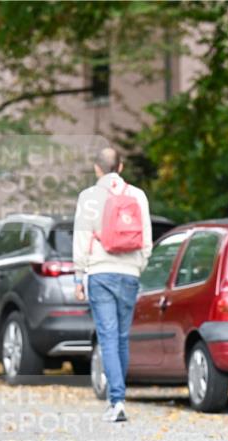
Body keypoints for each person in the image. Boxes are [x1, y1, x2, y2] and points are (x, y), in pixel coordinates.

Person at [73, 147, 152, 422]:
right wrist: (137, 266)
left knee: (107, 336)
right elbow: (146, 240)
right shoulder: (138, 195)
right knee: (121, 338)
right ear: (120, 167)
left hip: (101, 272)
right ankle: (119, 398)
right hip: (129, 273)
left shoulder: (89, 197)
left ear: (97, 168)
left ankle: (116, 401)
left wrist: (78, 275)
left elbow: (81, 238)